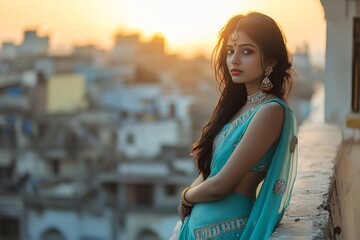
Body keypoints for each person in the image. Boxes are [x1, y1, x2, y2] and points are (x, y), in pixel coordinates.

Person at [177, 12, 298, 240]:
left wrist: (186, 197)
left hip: (228, 230)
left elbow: (221, 185)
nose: (234, 59)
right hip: (197, 229)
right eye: (230, 51)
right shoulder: (237, 109)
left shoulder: (270, 111)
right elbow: (211, 171)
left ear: (271, 61)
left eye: (247, 51)